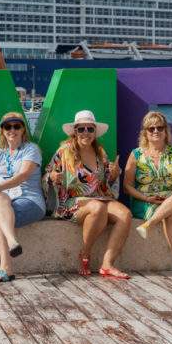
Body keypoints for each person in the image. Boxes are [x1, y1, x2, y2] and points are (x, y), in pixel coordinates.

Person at [47, 110, 131, 279]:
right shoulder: (64, 151)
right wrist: (52, 176)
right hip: (72, 202)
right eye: (81, 129)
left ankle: (107, 264)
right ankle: (85, 254)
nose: (86, 133)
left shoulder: (100, 152)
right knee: (98, 207)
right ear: (75, 132)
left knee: (125, 214)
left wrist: (114, 174)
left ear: (94, 132)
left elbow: (107, 182)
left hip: (100, 196)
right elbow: (48, 173)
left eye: (90, 129)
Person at [124, 111, 172, 280]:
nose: (156, 131)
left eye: (160, 127)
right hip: (145, 201)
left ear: (166, 131)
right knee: (169, 214)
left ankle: (148, 225)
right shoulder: (136, 154)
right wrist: (146, 198)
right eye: (151, 129)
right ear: (145, 133)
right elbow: (127, 187)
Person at [0, 112, 45, 282]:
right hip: (3, 199)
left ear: (23, 129)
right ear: (2, 131)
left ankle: (6, 267)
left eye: (17, 126)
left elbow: (23, 175)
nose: (12, 129)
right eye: (7, 126)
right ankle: (12, 243)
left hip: (30, 200)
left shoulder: (31, 149)